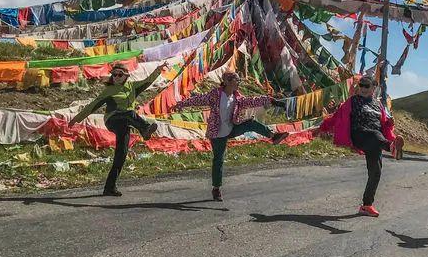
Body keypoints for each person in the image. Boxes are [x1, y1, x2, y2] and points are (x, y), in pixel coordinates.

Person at [171, 71, 289, 201]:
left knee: (250, 123)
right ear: (227, 81)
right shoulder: (215, 95)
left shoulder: (237, 98)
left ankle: (273, 136)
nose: (238, 83)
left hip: (232, 129)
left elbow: (252, 100)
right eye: (236, 80)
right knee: (218, 160)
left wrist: (272, 101)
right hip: (217, 134)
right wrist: (181, 104)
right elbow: (199, 99)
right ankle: (216, 189)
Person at [69, 61, 168, 196]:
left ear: (126, 75)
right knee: (130, 113)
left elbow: (148, 81)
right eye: (114, 75)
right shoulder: (109, 90)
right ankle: (145, 129)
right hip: (113, 120)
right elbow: (92, 105)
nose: (116, 77)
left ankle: (110, 187)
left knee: (121, 154)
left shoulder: (133, 86)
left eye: (119, 75)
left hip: (126, 122)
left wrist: (158, 69)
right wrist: (76, 119)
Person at [319, 76, 405, 218]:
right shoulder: (352, 101)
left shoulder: (378, 105)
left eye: (367, 86)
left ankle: (366, 205)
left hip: (375, 140)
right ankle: (391, 148)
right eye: (361, 85)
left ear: (373, 88)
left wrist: (390, 123)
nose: (363, 88)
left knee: (376, 172)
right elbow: (336, 117)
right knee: (374, 135)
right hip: (359, 134)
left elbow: (384, 126)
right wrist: (320, 128)